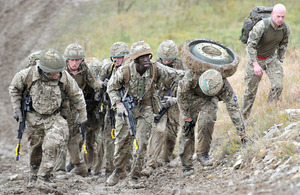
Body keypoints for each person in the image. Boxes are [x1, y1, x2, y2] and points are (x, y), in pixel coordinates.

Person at [106, 40, 184, 187]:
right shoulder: (125, 71)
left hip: (146, 109)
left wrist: (193, 75)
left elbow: (175, 74)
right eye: (142, 58)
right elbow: (111, 87)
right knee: (121, 142)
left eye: (148, 56)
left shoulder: (155, 68)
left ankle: (135, 176)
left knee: (141, 144)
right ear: (135, 59)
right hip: (126, 110)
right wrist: (118, 104)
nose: (146, 60)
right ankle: (118, 170)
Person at [9, 49, 87, 184]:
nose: (57, 74)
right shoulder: (27, 75)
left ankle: (45, 175)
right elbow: (14, 88)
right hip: (34, 117)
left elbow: (77, 95)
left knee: (52, 144)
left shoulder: (64, 76)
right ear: (44, 70)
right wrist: (16, 108)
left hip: (55, 117)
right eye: (53, 72)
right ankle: (33, 173)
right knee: (36, 148)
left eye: (59, 71)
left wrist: (82, 114)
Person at [177, 68, 249, 176]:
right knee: (187, 129)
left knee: (207, 122)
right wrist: (187, 118)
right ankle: (186, 165)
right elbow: (181, 97)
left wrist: (242, 134)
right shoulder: (190, 78)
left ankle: (203, 154)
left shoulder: (225, 86)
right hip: (191, 97)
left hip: (210, 98)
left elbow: (233, 109)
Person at [141, 40, 185, 176]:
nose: (166, 62)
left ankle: (165, 158)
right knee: (159, 130)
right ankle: (150, 163)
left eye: (169, 60)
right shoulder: (154, 65)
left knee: (171, 133)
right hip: (159, 102)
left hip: (174, 102)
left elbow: (187, 84)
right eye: (164, 60)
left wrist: (176, 99)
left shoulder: (181, 65)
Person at [59, 43, 102, 176]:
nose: (75, 63)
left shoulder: (85, 69)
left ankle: (79, 164)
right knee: (62, 138)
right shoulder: (61, 71)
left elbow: (95, 84)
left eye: (77, 60)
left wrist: (98, 91)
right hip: (64, 106)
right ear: (67, 60)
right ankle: (63, 167)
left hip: (80, 105)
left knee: (80, 138)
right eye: (72, 60)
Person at [241, 3, 291, 120]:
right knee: (250, 91)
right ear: (272, 14)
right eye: (278, 16)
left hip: (271, 58)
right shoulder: (261, 26)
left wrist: (280, 60)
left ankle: (268, 112)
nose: (280, 19)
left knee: (278, 85)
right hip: (255, 58)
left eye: (283, 17)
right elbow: (250, 46)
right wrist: (255, 65)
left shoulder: (285, 28)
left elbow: (283, 44)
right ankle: (244, 119)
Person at [92, 41, 130, 177]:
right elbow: (97, 81)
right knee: (108, 139)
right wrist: (102, 86)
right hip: (111, 108)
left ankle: (128, 167)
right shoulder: (108, 68)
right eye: (114, 57)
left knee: (127, 138)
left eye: (120, 57)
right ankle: (110, 169)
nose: (116, 59)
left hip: (127, 109)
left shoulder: (131, 69)